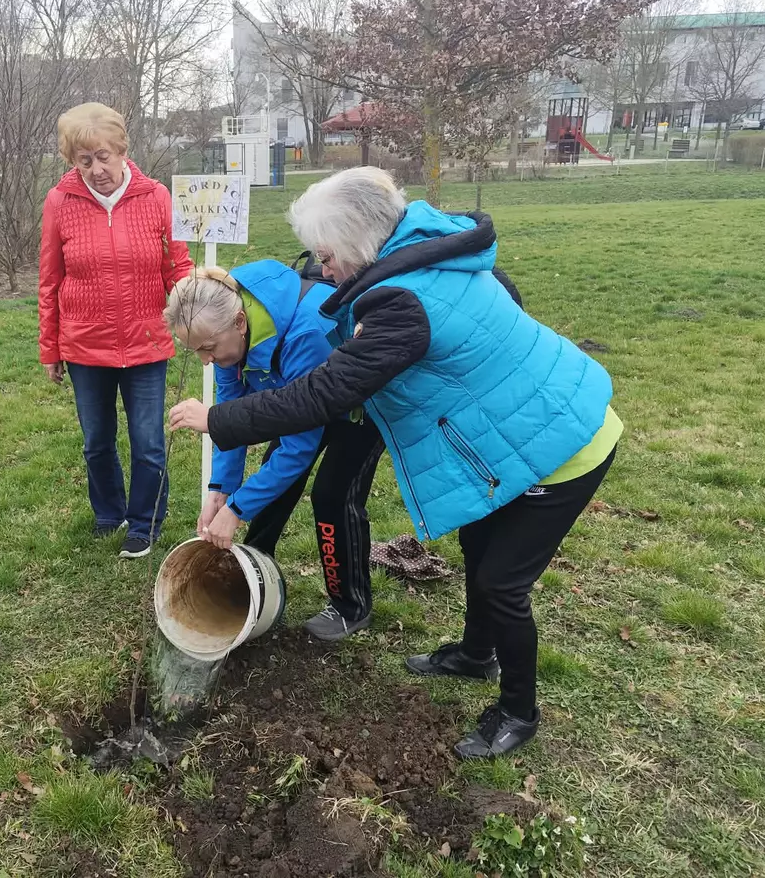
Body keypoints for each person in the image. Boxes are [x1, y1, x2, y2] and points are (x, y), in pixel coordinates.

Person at [170, 167, 622, 760]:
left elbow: (323, 395)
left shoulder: (403, 301)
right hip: (516, 430)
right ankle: (475, 654)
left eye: (327, 256)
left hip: (560, 444)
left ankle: (518, 712)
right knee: (479, 545)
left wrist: (217, 421)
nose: (322, 270)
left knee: (502, 581)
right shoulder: (417, 264)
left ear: (359, 243)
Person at [164, 263, 385, 641]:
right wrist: (221, 490)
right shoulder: (226, 336)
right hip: (296, 400)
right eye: (195, 351)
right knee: (271, 484)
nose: (204, 360)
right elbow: (230, 417)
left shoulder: (307, 334)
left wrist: (236, 511)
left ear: (240, 323)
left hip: (359, 408)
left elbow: (299, 448)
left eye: (208, 349)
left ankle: (350, 605)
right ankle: (252, 571)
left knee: (333, 496)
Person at [38, 103, 193, 558]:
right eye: (84, 160)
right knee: (96, 442)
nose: (96, 170)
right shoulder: (60, 202)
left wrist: (194, 310)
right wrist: (50, 348)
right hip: (85, 345)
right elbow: (49, 280)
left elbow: (177, 266)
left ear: (122, 150)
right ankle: (109, 513)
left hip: (147, 342)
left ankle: (144, 523)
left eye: (103, 157)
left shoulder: (156, 197)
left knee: (148, 443)